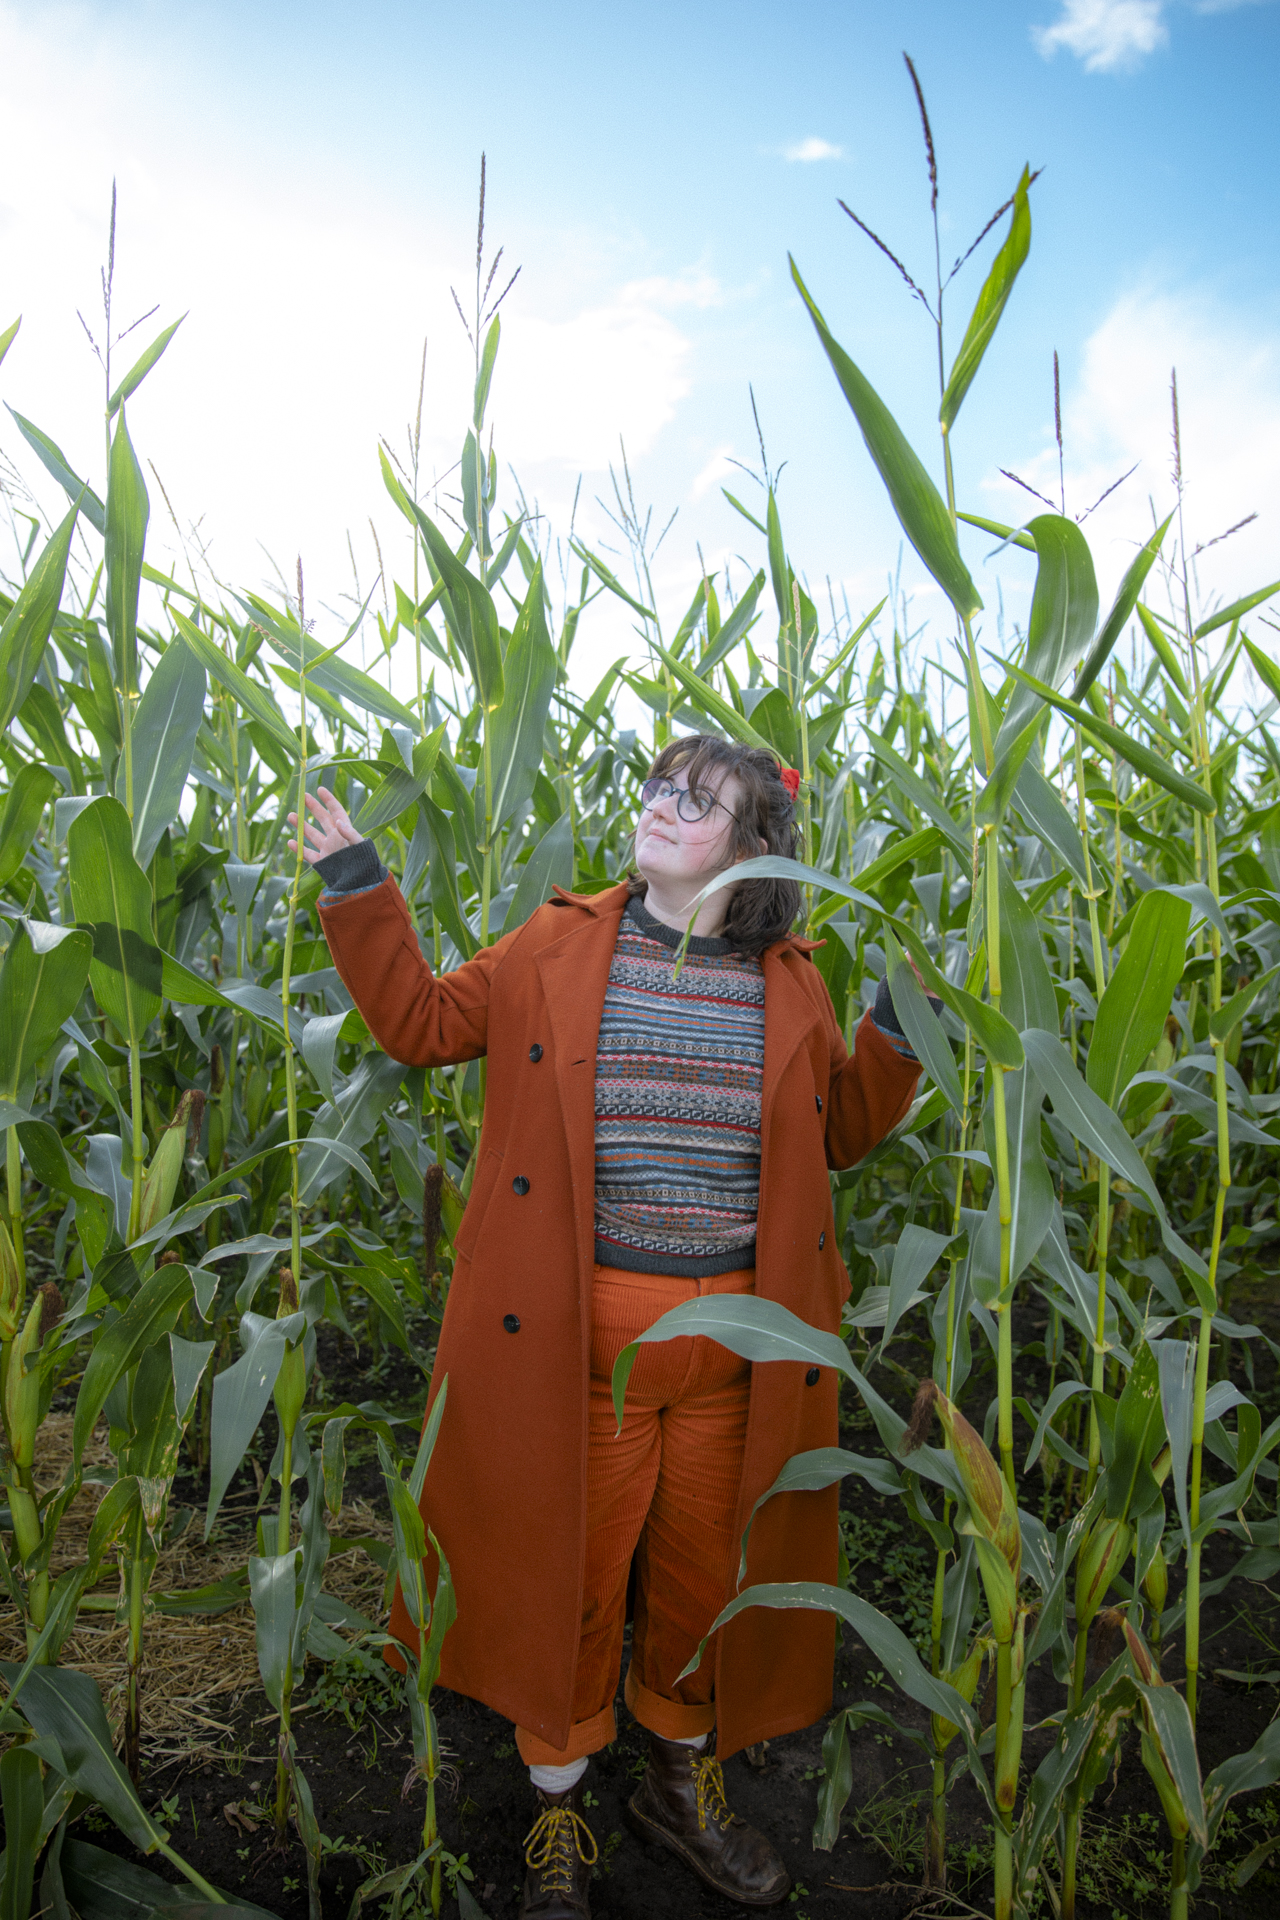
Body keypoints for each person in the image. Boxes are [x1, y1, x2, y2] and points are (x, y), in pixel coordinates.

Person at [291, 733, 924, 1918]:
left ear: (750, 846)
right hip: (580, 1346)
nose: (662, 806)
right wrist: (359, 890)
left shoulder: (788, 975)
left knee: (703, 1579)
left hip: (740, 1350)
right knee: (568, 1577)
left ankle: (677, 1787)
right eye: (659, 788)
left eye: (699, 800)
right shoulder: (558, 941)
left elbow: (840, 1127)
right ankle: (556, 1813)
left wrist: (897, 1028)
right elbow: (422, 1025)